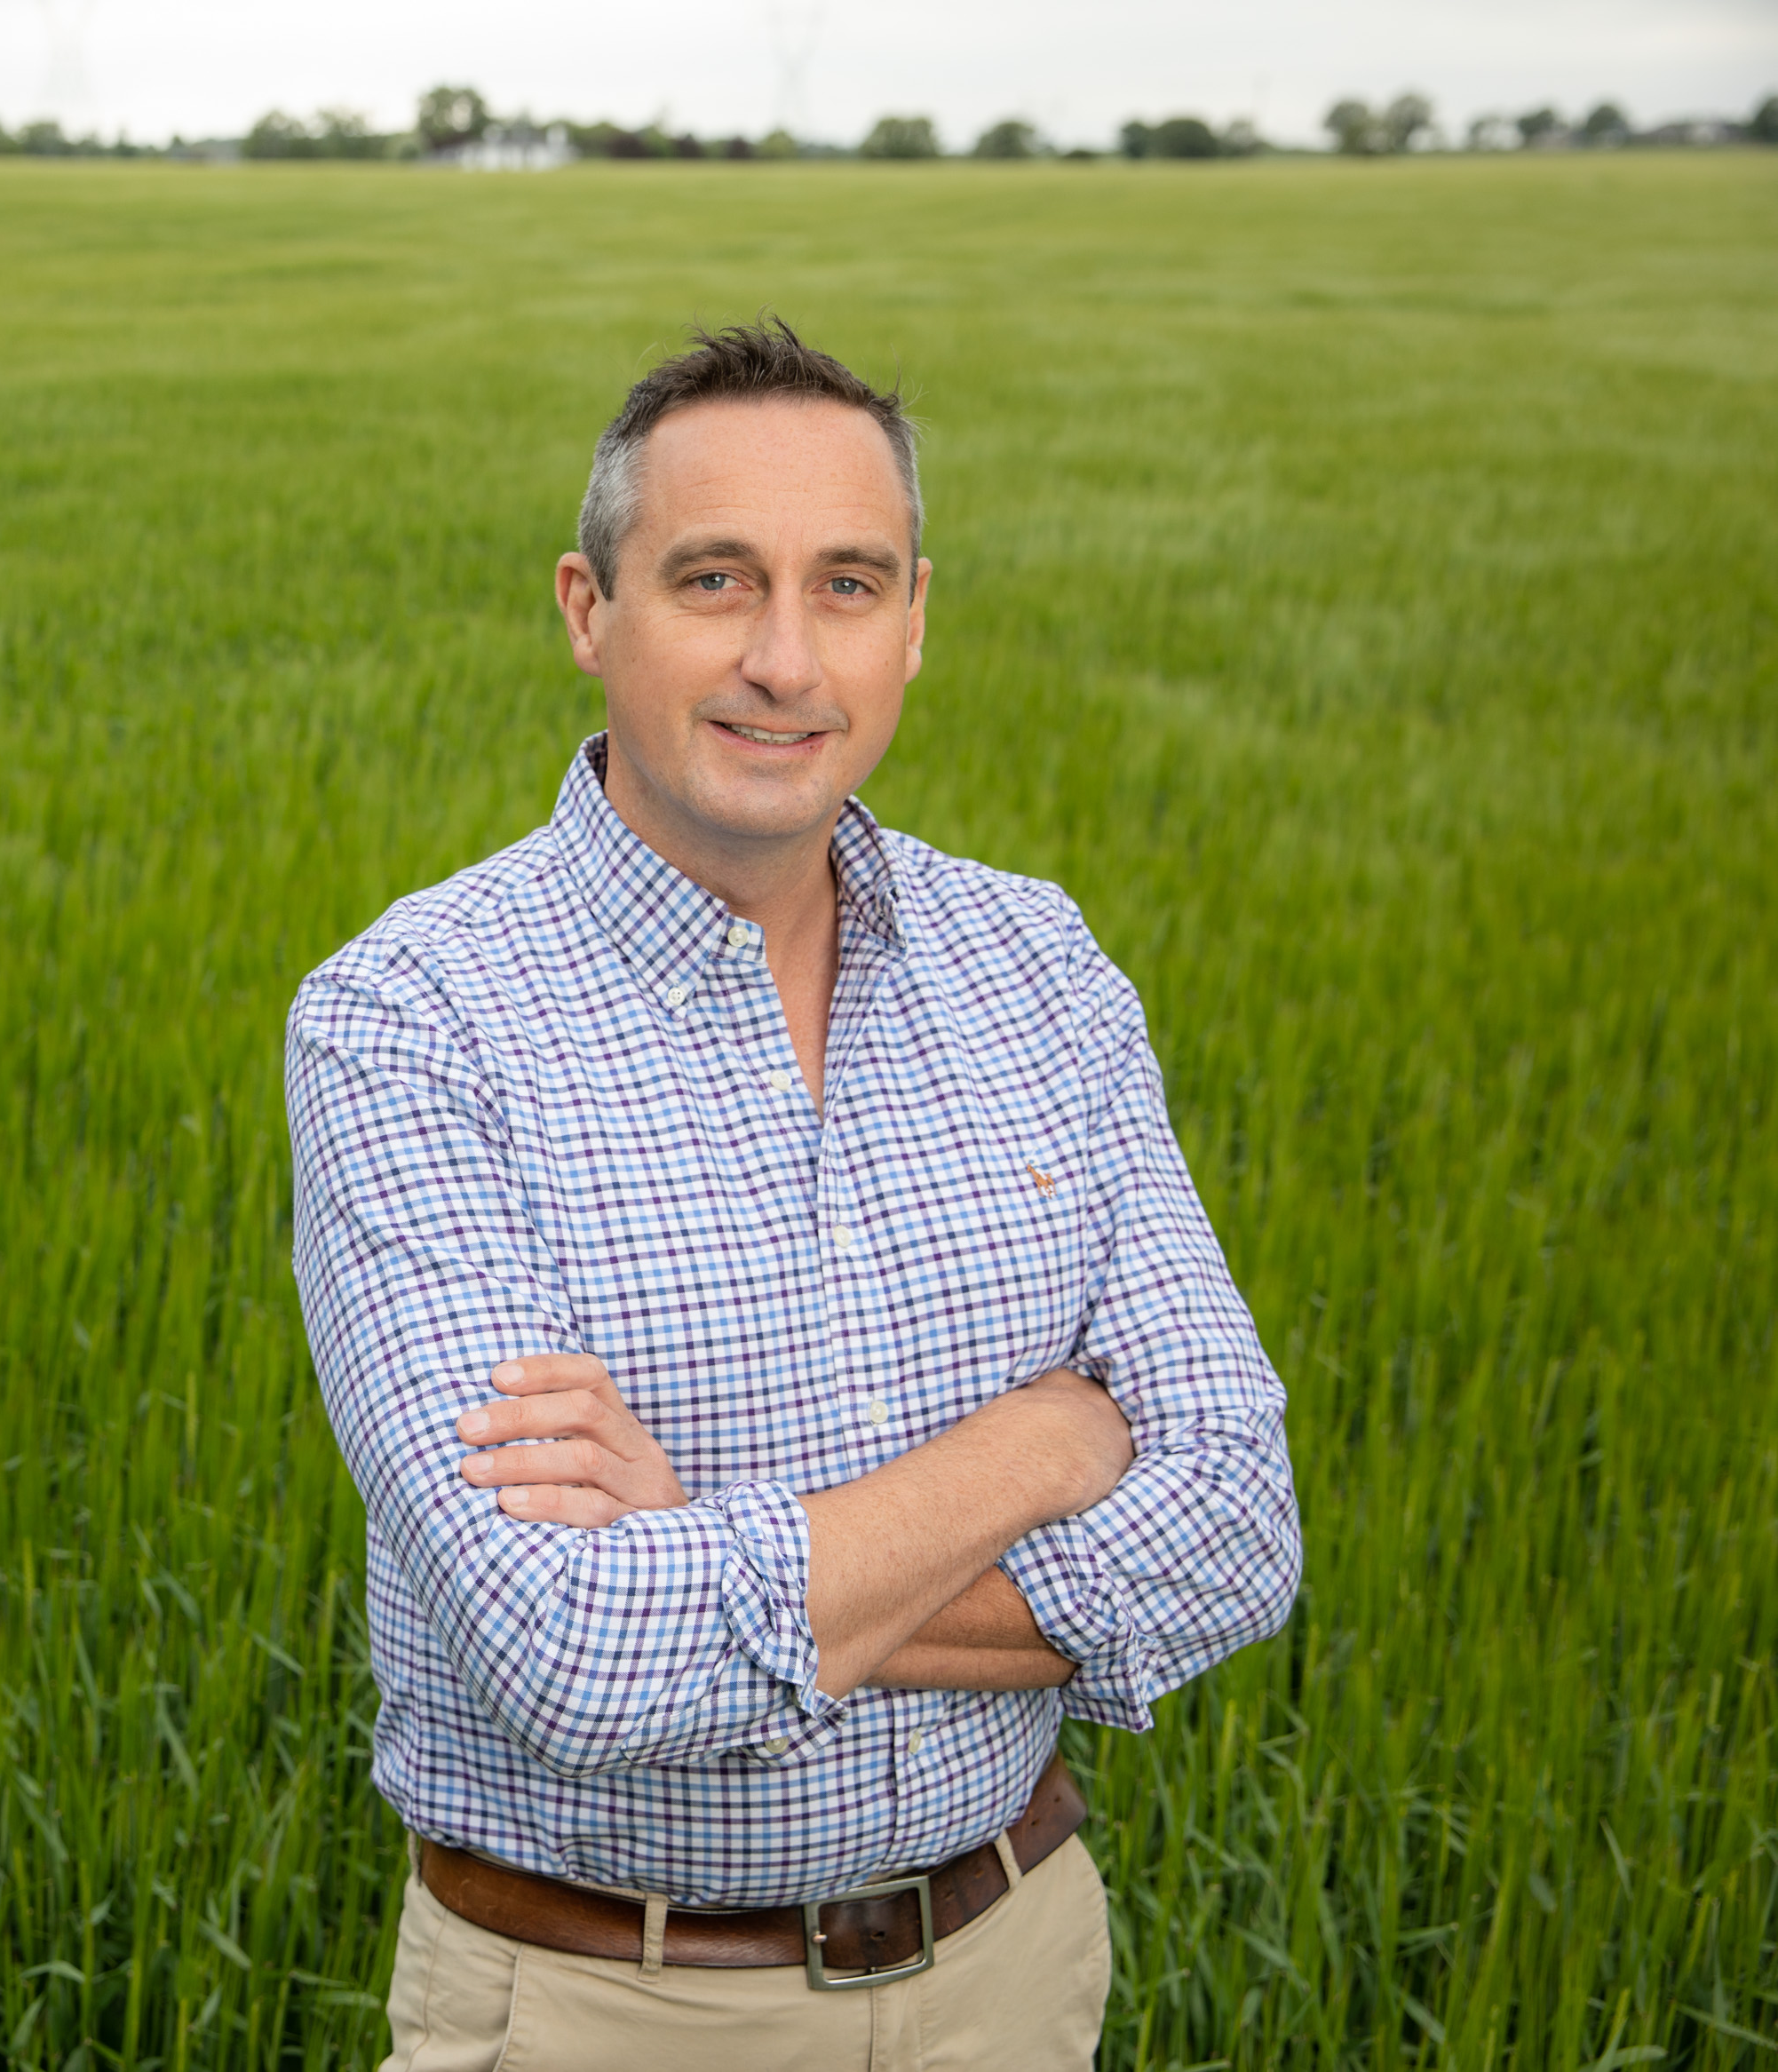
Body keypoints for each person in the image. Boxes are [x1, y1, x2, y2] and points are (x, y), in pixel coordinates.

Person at [284, 320, 1301, 2069]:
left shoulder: (1038, 966)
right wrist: (1041, 1448)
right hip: (598, 2009)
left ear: (914, 620)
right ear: (587, 612)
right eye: (711, 579)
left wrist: (716, 1541)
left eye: (845, 584)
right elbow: (574, 1653)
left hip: (1011, 1970)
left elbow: (1235, 1525)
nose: (782, 658)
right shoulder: (407, 1022)